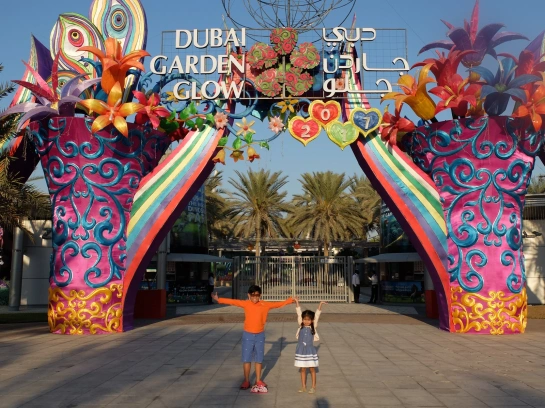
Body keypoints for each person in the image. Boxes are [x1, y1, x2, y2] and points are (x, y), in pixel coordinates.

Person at [212, 285, 293, 393]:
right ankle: (246, 381)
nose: (255, 297)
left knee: (259, 359)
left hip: (260, 335)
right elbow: (234, 302)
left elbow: (277, 305)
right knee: (246, 359)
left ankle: (258, 380)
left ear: (260, 295)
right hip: (248, 335)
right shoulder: (246, 303)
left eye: (257, 295)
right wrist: (219, 299)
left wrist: (289, 300)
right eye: (253, 295)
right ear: (249, 295)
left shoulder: (264, 304)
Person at [294, 298, 327, 394]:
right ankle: (303, 386)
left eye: (308, 320)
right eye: (305, 319)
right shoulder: (301, 325)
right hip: (301, 350)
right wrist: (297, 302)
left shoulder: (313, 326)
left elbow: (317, 314)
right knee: (302, 369)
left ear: (312, 320)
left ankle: (313, 386)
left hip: (310, 350)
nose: (306, 321)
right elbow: (298, 312)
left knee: (312, 369)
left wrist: (320, 304)